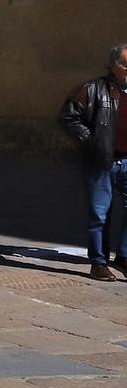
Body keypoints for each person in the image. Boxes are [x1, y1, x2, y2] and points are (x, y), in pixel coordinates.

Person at [56, 45, 127, 280]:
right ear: (114, 66)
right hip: (101, 161)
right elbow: (67, 117)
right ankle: (98, 262)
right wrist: (91, 140)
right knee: (99, 214)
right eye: (126, 65)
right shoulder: (93, 89)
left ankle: (124, 257)